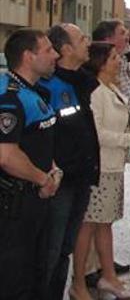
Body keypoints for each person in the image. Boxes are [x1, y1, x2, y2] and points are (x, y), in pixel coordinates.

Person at [69, 43, 130, 299]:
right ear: (100, 62)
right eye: (113, 58)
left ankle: (108, 276)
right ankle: (78, 283)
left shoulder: (112, 88)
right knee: (88, 227)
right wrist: (128, 139)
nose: (118, 61)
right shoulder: (96, 92)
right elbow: (96, 133)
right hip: (100, 168)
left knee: (104, 225)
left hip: (113, 166)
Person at [39, 24, 101, 300]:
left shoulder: (80, 82)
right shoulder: (47, 86)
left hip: (80, 179)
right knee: (49, 252)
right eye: (81, 39)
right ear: (65, 49)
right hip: (59, 183)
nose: (87, 42)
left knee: (64, 249)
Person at [0, 29, 61, 299]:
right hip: (14, 205)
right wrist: (43, 179)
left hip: (36, 200)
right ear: (28, 56)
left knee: (37, 274)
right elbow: (6, 155)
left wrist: (54, 170)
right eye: (48, 50)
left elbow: (38, 141)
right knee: (15, 281)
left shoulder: (34, 92)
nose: (55, 55)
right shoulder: (9, 97)